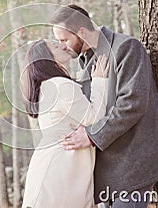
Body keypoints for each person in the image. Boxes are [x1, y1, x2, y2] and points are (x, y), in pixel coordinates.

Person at [51, 4, 158, 208]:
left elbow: (133, 103)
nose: (62, 46)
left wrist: (90, 135)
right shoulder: (84, 60)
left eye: (64, 40)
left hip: (134, 162)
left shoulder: (126, 47)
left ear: (82, 32)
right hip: (106, 171)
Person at [21, 39, 110, 208]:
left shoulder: (47, 86)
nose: (63, 45)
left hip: (55, 165)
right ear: (46, 58)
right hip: (61, 168)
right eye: (55, 46)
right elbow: (94, 119)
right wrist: (99, 81)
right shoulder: (60, 85)